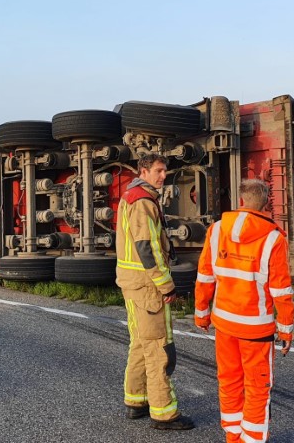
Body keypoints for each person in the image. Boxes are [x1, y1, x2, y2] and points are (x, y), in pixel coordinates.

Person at [194, 178, 294, 442]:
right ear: (266, 204)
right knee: (258, 387)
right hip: (255, 327)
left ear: (241, 201)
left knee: (229, 381)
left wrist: (202, 313)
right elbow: (281, 291)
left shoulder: (216, 230)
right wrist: (286, 330)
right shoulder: (273, 238)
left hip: (224, 324)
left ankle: (233, 437)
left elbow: (205, 276)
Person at [115, 153, 195, 430]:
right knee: (158, 347)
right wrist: (166, 284)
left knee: (140, 342)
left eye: (165, 171)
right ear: (144, 171)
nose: (163, 176)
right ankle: (164, 414)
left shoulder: (133, 196)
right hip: (146, 285)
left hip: (132, 282)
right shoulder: (143, 201)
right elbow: (146, 248)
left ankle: (136, 401)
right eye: (159, 171)